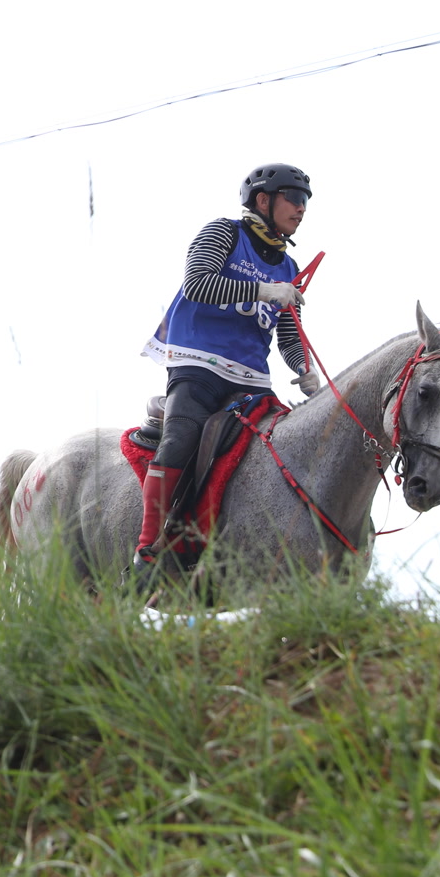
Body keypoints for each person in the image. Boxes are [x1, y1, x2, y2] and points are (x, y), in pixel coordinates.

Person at [136, 163, 321, 571]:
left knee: (280, 447)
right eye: (295, 198)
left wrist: (305, 370)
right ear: (263, 200)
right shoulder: (223, 232)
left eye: (306, 201)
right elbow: (197, 283)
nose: (302, 209)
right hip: (197, 363)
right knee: (182, 438)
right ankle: (147, 550)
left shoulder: (289, 270)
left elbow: (289, 336)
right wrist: (265, 290)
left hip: (252, 379)